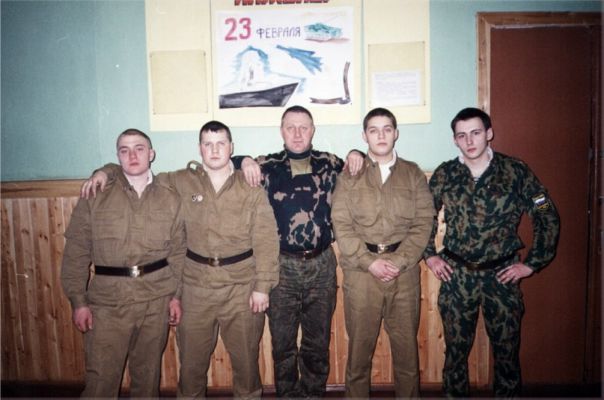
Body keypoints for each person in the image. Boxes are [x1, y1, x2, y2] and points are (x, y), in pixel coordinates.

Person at [82, 121, 280, 398]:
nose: (214, 150)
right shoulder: (180, 181)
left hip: (241, 287)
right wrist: (106, 171)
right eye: (208, 144)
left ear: (231, 148)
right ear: (199, 149)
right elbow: (137, 170)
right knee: (191, 368)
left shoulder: (251, 188)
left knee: (247, 367)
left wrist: (263, 287)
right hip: (195, 288)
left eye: (221, 144)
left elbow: (266, 240)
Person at [423, 107, 560, 397]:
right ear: (455, 140)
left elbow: (546, 212)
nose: (469, 141)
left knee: (507, 354)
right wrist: (430, 254)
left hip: (502, 277)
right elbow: (423, 216)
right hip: (457, 276)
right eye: (462, 135)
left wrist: (533, 263)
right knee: (455, 355)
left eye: (475, 133)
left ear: (489, 133)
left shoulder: (516, 171)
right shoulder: (446, 173)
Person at [235, 105, 364, 397]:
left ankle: (313, 394)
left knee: (317, 343)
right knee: (283, 344)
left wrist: (358, 152)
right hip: (281, 266)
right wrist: (243, 160)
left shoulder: (330, 163)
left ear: (312, 130)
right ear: (281, 131)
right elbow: (225, 163)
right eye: (290, 127)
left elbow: (362, 164)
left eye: (303, 127)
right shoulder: (266, 166)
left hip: (322, 263)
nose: (297, 133)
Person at [61, 128, 185, 398]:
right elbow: (76, 252)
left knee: (147, 380)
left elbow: (178, 252)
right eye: (124, 150)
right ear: (117, 156)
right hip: (108, 303)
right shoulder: (96, 194)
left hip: (156, 300)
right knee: (100, 382)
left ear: (151, 154)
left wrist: (176, 296)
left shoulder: (170, 197)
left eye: (139, 149)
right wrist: (78, 301)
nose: (132, 156)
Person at [331, 107, 435, 398]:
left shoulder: (413, 174)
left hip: (404, 273)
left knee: (407, 353)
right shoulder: (350, 176)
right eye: (373, 130)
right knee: (358, 353)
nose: (381, 135)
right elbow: (341, 223)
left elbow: (423, 222)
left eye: (387, 129)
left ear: (396, 133)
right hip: (361, 273)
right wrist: (369, 262)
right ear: (364, 136)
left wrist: (400, 261)